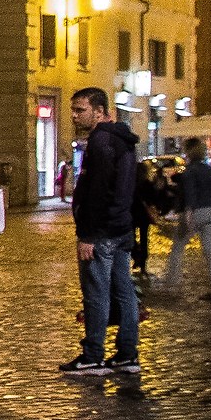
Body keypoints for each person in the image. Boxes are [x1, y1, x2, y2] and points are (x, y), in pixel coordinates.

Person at [58, 87, 139, 377]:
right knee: (125, 293)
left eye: (81, 110)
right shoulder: (122, 140)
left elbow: (97, 192)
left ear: (100, 111)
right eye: (74, 109)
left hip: (102, 232)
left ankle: (93, 354)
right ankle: (128, 354)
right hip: (120, 227)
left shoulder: (102, 141)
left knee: (96, 293)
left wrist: (88, 235)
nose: (75, 115)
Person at [162, 137, 211, 298]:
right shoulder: (210, 170)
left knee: (178, 247)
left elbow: (190, 193)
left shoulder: (189, 171)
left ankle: (172, 283)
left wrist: (188, 212)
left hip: (196, 211)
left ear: (189, 151)